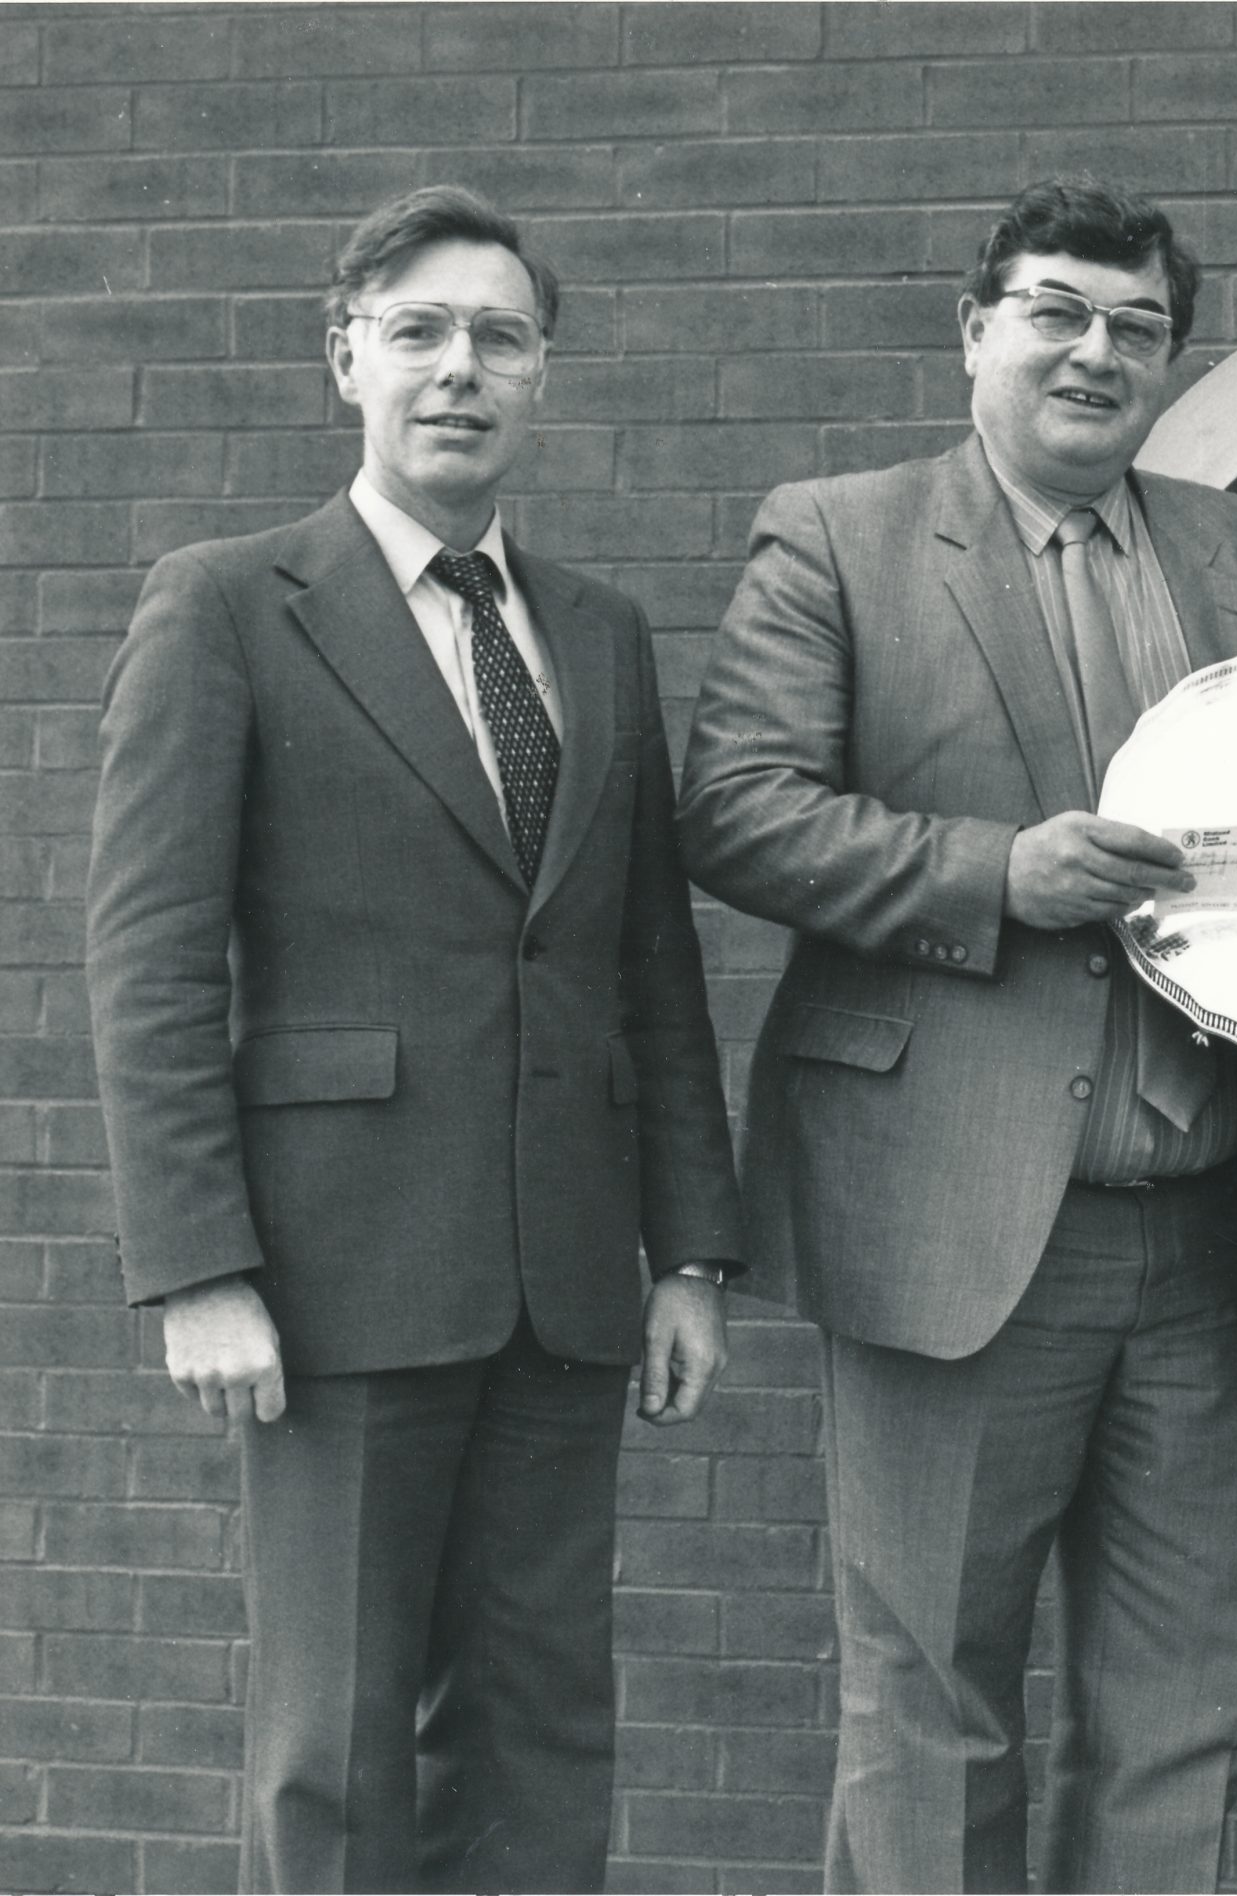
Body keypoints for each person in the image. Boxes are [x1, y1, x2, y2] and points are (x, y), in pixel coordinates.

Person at [85, 185, 744, 1892]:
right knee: (343, 1750)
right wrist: (198, 1268)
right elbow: (148, 961)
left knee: (540, 1732)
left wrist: (693, 1252)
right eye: (423, 332)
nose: (464, 368)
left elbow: (647, 963)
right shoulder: (228, 605)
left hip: (567, 1274)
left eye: (502, 338)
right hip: (334, 1278)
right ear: (348, 360)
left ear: (543, 377)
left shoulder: (595, 631)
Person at [677, 176, 1237, 1894]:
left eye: (1136, 326)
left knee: (1184, 1709)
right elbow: (736, 812)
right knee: (930, 1700)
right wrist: (995, 873)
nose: (1095, 352)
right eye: (1056, 311)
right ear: (976, 331)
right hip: (952, 1217)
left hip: (1205, 1222)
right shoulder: (840, 533)